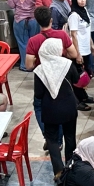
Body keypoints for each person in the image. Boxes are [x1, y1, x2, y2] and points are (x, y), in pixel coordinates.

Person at [34, 38, 80, 174]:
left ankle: (59, 171)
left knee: (52, 140)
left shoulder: (40, 70)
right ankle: (71, 166)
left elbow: (38, 94)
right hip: (69, 107)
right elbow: (76, 80)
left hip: (50, 110)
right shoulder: (67, 64)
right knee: (70, 137)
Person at [7, 0, 38, 70]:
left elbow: (11, 5)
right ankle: (34, 64)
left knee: (22, 42)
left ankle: (25, 66)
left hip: (19, 20)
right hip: (33, 19)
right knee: (34, 42)